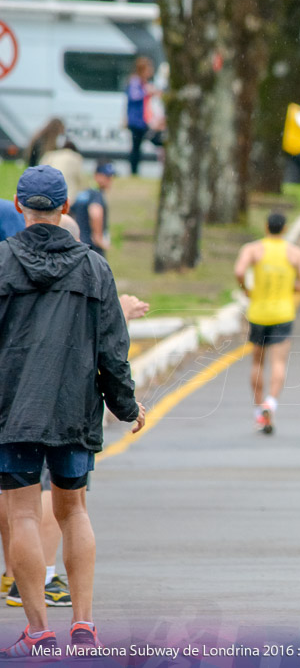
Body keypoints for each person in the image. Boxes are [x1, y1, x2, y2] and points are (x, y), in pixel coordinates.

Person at [0, 165, 145, 656]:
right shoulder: (93, 267)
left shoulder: (0, 263)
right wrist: (126, 406)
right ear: (65, 209)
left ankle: (38, 629)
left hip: (12, 410)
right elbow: (112, 349)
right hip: (73, 409)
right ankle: (83, 625)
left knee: (21, 513)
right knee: (73, 508)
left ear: (19, 207)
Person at [234, 212, 300, 434]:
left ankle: (259, 412)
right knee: (279, 363)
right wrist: (290, 287)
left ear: (266, 227)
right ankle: (271, 403)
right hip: (283, 314)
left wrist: (247, 289)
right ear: (285, 229)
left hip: (258, 313)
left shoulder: (253, 249)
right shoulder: (294, 253)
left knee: (258, 363)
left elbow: (239, 271)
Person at [70, 161, 116, 258]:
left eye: (111, 177)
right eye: (106, 176)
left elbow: (70, 212)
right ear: (96, 175)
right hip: (93, 249)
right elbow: (95, 212)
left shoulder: (82, 194)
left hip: (78, 245)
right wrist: (98, 238)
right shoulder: (97, 194)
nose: (110, 180)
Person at [126, 56, 162, 175]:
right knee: (137, 147)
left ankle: (134, 171)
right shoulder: (135, 82)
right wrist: (147, 91)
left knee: (138, 147)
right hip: (136, 121)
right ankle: (134, 171)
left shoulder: (144, 83)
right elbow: (134, 96)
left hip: (143, 120)